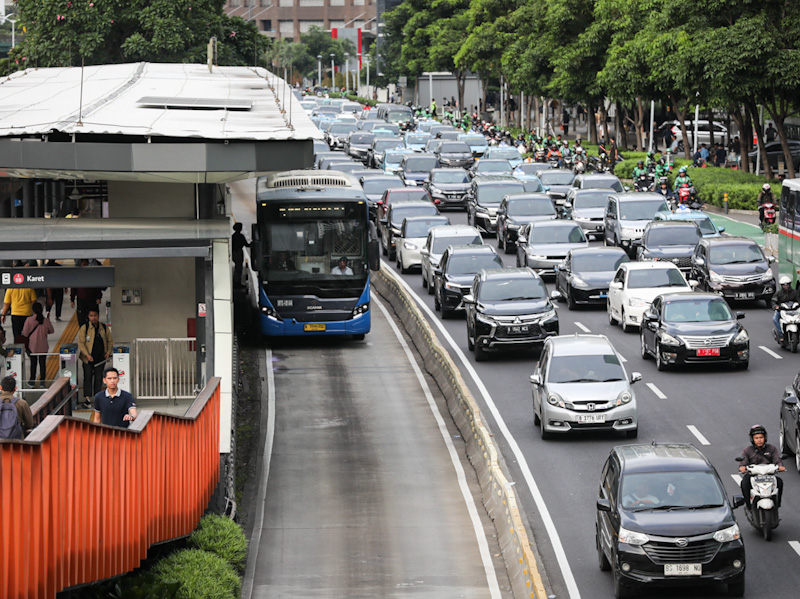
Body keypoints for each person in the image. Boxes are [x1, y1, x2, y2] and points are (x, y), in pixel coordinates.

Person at [739, 425, 784, 508]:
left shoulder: (772, 449)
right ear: (752, 439)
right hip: (753, 475)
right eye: (756, 438)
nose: (759, 440)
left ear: (765, 438)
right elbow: (743, 462)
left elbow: (777, 460)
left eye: (761, 437)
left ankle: (777, 504)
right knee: (744, 483)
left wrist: (780, 466)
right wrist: (742, 467)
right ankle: (749, 506)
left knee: (779, 482)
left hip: (768, 475)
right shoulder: (747, 450)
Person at [77, 307, 114, 408]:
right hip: (87, 359)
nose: (93, 318)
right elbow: (81, 343)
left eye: (95, 315)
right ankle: (87, 400)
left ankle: (98, 398)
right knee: (87, 378)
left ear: (98, 316)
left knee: (99, 378)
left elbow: (110, 341)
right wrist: (87, 355)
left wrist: (108, 352)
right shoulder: (84, 328)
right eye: (91, 316)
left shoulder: (104, 328)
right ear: (88, 317)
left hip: (100, 358)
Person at [21, 302, 54, 389]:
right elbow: (51, 331)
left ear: (33, 310)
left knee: (33, 363)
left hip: (32, 346)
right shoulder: (46, 320)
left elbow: (25, 333)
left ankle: (32, 381)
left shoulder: (29, 320)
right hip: (43, 346)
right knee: (42, 364)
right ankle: (42, 382)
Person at [70, 259, 104, 328]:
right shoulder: (78, 274)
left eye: (86, 263)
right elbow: (73, 287)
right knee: (81, 317)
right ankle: (83, 331)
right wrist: (72, 299)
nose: (84, 265)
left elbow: (97, 286)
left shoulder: (92, 273)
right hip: (81, 299)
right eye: (83, 263)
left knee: (93, 316)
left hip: (92, 298)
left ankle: (93, 330)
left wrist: (98, 297)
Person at [771, 275, 799, 341]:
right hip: (782, 310)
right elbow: (773, 301)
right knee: (775, 319)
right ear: (781, 286)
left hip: (794, 310)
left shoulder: (795, 292)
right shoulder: (778, 293)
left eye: (787, 285)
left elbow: (799, 299)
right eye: (784, 285)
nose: (786, 286)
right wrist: (775, 306)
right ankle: (781, 334)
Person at [231, 222, 250, 287]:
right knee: (239, 268)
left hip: (234, 252)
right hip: (239, 252)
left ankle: (235, 281)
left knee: (237, 267)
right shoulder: (241, 236)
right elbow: (247, 244)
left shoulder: (233, 236)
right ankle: (237, 282)